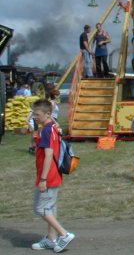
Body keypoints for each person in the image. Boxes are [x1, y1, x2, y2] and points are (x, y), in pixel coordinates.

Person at [31, 99, 75, 252]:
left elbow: (48, 155)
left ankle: (64, 234)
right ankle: (51, 238)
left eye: (37, 114)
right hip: (53, 174)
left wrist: (43, 178)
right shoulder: (53, 126)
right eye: (34, 114)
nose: (35, 117)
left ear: (47, 114)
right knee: (50, 207)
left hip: (48, 176)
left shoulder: (47, 130)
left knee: (41, 209)